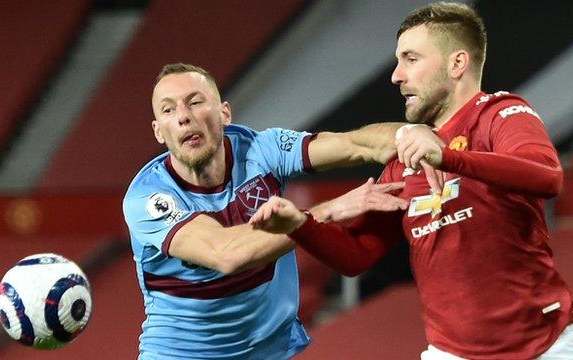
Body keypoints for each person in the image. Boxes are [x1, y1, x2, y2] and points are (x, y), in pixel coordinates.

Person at [249, 2, 573, 359]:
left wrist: (447, 156)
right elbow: (357, 255)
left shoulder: (500, 113)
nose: (396, 75)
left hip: (544, 347)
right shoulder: (406, 156)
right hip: (451, 352)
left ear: (457, 64)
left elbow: (548, 178)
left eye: (411, 59)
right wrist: (300, 224)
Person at [122, 63, 412, 359]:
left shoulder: (261, 150)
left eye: (195, 102)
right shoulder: (149, 197)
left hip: (269, 352)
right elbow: (226, 254)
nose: (183, 117)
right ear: (158, 131)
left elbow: (355, 144)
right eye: (168, 110)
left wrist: (414, 135)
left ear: (224, 113)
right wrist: (327, 211)